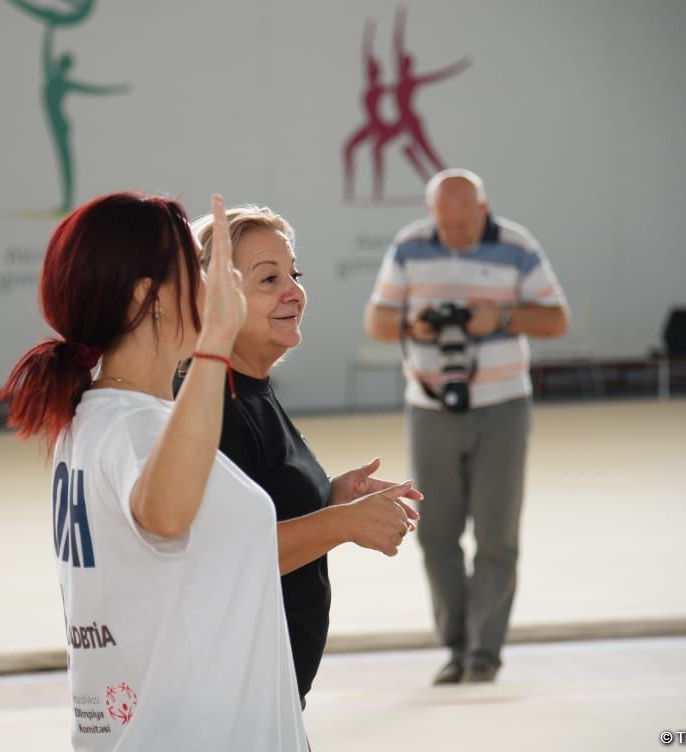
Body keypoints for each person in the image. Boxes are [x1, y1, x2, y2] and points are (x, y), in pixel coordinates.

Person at [0, 192, 307, 750]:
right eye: (197, 268)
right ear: (149, 297)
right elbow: (164, 514)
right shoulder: (130, 424)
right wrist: (215, 347)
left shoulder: (101, 414)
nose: (216, 285)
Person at [189, 205, 423, 706]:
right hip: (233, 705)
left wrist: (333, 498)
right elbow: (225, 557)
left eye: (293, 273)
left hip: (263, 701)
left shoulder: (250, 389)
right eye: (268, 279)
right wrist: (343, 523)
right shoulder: (213, 403)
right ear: (214, 299)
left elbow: (262, 510)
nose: (293, 291)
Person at [363, 169, 569, 684]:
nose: (454, 235)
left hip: (503, 406)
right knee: (434, 533)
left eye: (464, 223)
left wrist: (498, 318)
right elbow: (377, 321)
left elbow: (556, 319)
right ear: (432, 214)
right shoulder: (409, 246)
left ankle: (484, 653)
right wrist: (412, 325)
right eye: (445, 224)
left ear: (484, 208)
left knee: (498, 536)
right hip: (430, 409)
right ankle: (456, 646)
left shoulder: (517, 244)